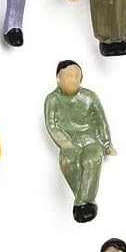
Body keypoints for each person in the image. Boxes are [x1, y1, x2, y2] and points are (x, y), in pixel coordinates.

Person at [44, 60, 116, 223]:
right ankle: (85, 201)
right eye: (69, 76)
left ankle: (81, 204)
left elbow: (100, 121)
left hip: (91, 139)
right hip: (69, 141)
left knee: (91, 160)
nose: (74, 79)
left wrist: (107, 143)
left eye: (77, 76)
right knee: (68, 162)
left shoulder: (89, 97)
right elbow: (52, 125)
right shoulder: (52, 99)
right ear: (58, 78)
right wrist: (65, 143)